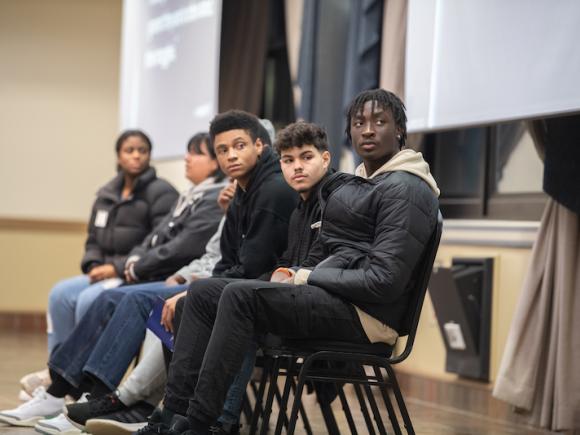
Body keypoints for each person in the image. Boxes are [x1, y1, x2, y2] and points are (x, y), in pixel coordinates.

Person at [137, 89, 441, 435]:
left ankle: (201, 425)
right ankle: (172, 416)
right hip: (338, 300)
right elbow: (332, 253)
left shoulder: (406, 188)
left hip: (367, 317)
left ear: (399, 130)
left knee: (239, 297)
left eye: (379, 122)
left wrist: (309, 276)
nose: (368, 130)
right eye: (359, 123)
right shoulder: (362, 184)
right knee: (204, 292)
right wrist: (299, 273)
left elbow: (383, 281)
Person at [0, 132, 225, 429]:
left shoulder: (206, 197)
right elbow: (150, 239)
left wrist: (128, 268)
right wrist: (113, 263)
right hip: (144, 270)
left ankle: (90, 396)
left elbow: (183, 248)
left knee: (112, 298)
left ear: (214, 164)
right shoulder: (181, 194)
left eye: (196, 153)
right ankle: (61, 388)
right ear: (117, 155)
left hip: (176, 278)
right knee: (64, 294)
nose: (186, 158)